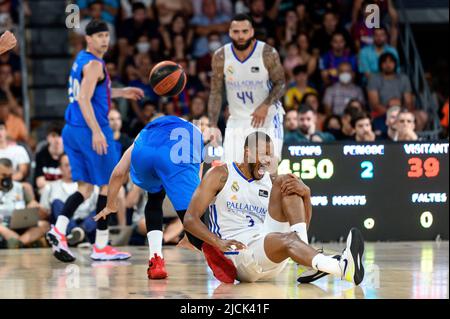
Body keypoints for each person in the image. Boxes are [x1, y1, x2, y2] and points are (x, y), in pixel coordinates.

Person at [183, 132, 365, 284]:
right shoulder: (221, 174)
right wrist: (217, 242)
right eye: (264, 154)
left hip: (268, 251)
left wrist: (307, 194)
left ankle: (307, 263)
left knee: (288, 182)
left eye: (270, 156)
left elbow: (302, 227)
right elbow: (190, 219)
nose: (268, 160)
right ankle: (341, 268)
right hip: (239, 256)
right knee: (289, 240)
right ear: (248, 152)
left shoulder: (269, 181)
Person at [46, 20, 144, 263]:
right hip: (91, 130)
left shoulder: (82, 59)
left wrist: (122, 92)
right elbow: (84, 99)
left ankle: (59, 229)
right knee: (109, 185)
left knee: (86, 188)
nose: (104, 40)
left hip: (72, 129)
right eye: (99, 35)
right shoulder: (94, 64)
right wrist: (97, 132)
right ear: (88, 38)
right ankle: (101, 246)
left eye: (106, 35)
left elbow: (94, 91)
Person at [94, 115, 237, 280]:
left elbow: (118, 173)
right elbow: (196, 190)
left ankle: (156, 260)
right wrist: (190, 230)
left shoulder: (144, 135)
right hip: (176, 160)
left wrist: (110, 205)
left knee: (154, 197)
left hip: (144, 155)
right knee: (191, 217)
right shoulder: (194, 135)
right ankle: (213, 251)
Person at [208, 14, 285, 169]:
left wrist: (265, 106)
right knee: (230, 171)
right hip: (237, 119)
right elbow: (215, 92)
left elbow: (281, 84)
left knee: (268, 170)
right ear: (230, 32)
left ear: (251, 32)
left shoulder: (267, 52)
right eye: (236, 32)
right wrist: (213, 124)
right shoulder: (221, 56)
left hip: (267, 118)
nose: (240, 36)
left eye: (244, 31)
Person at [40, 154, 99, 246]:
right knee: (56, 203)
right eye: (67, 165)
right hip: (63, 227)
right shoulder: (50, 187)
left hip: (86, 223)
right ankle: (78, 236)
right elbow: (44, 211)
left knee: (101, 211)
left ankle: (79, 233)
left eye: (73, 164)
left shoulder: (91, 186)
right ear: (60, 168)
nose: (71, 168)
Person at [0, 158, 49, 249]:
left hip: (20, 225)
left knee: (45, 225)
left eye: (10, 175)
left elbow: (36, 209)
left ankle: (18, 243)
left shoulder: (22, 187)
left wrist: (36, 207)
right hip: (2, 227)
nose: (7, 178)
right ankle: (25, 242)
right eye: (4, 175)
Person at [367, 52, 413, 117]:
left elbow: (409, 102)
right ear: (380, 64)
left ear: (395, 64)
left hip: (401, 112)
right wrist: (392, 113)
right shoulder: (374, 79)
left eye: (391, 62)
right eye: (385, 62)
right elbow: (374, 104)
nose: (388, 65)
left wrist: (401, 112)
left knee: (423, 115)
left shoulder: (403, 78)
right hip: (382, 114)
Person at [34, 125, 64, 193]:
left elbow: (73, 182)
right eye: (53, 136)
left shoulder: (69, 156)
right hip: (48, 191)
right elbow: (40, 183)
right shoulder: (40, 155)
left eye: (60, 136)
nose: (57, 140)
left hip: (65, 191)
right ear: (48, 138)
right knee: (43, 190)